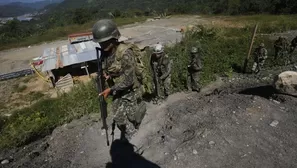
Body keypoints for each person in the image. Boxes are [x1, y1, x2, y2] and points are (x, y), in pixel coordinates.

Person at [92, 19, 147, 140]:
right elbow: (113, 69)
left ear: (113, 38)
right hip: (117, 90)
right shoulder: (105, 54)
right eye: (100, 43)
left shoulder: (125, 53)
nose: (102, 45)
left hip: (130, 90)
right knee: (119, 118)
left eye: (106, 42)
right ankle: (129, 134)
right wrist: (108, 76)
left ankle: (137, 128)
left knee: (134, 117)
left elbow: (129, 80)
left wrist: (110, 90)